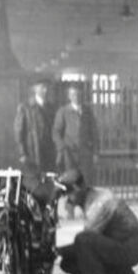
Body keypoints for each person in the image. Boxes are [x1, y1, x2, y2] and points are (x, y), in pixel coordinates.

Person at [56, 169, 138, 274]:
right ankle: (119, 273)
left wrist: (56, 251)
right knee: (68, 263)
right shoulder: (92, 194)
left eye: (68, 192)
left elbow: (86, 242)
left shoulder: (98, 204)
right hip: (120, 242)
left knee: (82, 240)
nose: (66, 198)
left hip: (130, 247)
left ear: (76, 188)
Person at [53, 84, 99, 218]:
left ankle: (85, 208)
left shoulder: (87, 112)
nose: (76, 97)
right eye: (73, 94)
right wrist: (62, 147)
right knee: (71, 181)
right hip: (69, 153)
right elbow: (56, 132)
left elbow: (94, 133)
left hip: (85, 152)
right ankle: (70, 209)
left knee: (85, 180)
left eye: (78, 94)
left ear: (82, 95)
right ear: (69, 96)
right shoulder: (63, 112)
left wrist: (95, 152)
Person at [14, 79, 56, 181]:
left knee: (48, 179)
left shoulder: (51, 108)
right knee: (34, 180)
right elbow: (18, 132)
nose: (45, 90)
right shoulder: (25, 108)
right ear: (35, 89)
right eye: (42, 87)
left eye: (46, 88)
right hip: (32, 151)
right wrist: (22, 153)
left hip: (48, 151)